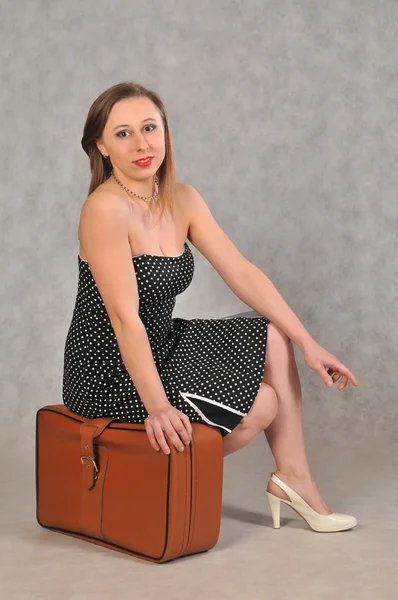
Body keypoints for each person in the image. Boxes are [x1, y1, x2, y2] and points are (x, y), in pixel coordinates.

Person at [63, 81, 359, 533]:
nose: (142, 144)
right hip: (109, 370)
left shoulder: (181, 198)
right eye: (123, 134)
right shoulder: (104, 209)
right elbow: (125, 320)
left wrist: (308, 344)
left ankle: (294, 479)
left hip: (161, 345)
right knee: (262, 404)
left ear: (165, 131)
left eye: (150, 128)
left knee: (274, 335)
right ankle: (144, 464)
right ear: (101, 145)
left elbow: (242, 272)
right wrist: (158, 406)